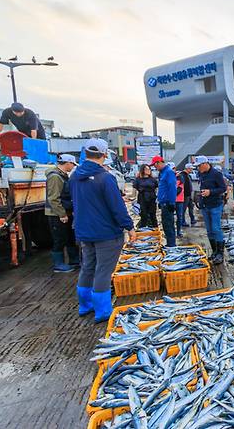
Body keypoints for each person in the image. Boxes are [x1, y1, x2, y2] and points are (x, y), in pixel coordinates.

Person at [70, 138, 135, 323]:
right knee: (103, 271)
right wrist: (129, 227)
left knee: (88, 268)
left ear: (86, 153)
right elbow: (117, 207)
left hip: (84, 232)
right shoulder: (106, 177)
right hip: (106, 233)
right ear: (104, 155)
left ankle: (85, 306)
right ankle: (103, 311)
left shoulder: (74, 175)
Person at [45, 154, 79, 272]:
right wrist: (62, 214)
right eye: (72, 164)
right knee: (59, 239)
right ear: (67, 163)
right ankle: (58, 264)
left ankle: (74, 261)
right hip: (56, 215)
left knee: (69, 237)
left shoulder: (63, 176)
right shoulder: (55, 177)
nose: (73, 167)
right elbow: (53, 198)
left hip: (66, 212)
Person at [194, 156, 227, 264]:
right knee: (209, 230)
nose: (198, 168)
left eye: (199, 166)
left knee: (216, 228)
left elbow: (223, 188)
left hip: (215, 205)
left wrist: (210, 192)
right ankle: (214, 251)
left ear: (204, 164)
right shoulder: (201, 174)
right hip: (205, 206)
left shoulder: (216, 174)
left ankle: (220, 254)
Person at [151, 156, 177, 247]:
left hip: (167, 203)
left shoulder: (168, 172)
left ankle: (171, 245)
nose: (155, 167)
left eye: (155, 165)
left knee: (168, 225)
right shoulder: (163, 173)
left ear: (158, 163)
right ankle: (170, 243)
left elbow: (172, 188)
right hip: (163, 203)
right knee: (166, 224)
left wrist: (171, 203)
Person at [132, 164, 158, 228]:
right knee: (143, 215)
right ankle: (142, 229)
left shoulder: (153, 179)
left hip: (152, 198)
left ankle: (155, 228)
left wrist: (157, 197)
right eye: (146, 169)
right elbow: (134, 189)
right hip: (142, 198)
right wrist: (133, 198)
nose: (148, 170)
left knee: (153, 214)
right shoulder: (138, 179)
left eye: (149, 169)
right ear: (143, 170)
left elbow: (157, 188)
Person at [175, 165, 186, 237]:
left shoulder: (180, 177)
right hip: (173, 200)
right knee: (172, 217)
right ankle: (174, 232)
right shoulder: (168, 176)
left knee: (179, 217)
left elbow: (179, 189)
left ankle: (178, 231)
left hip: (179, 200)